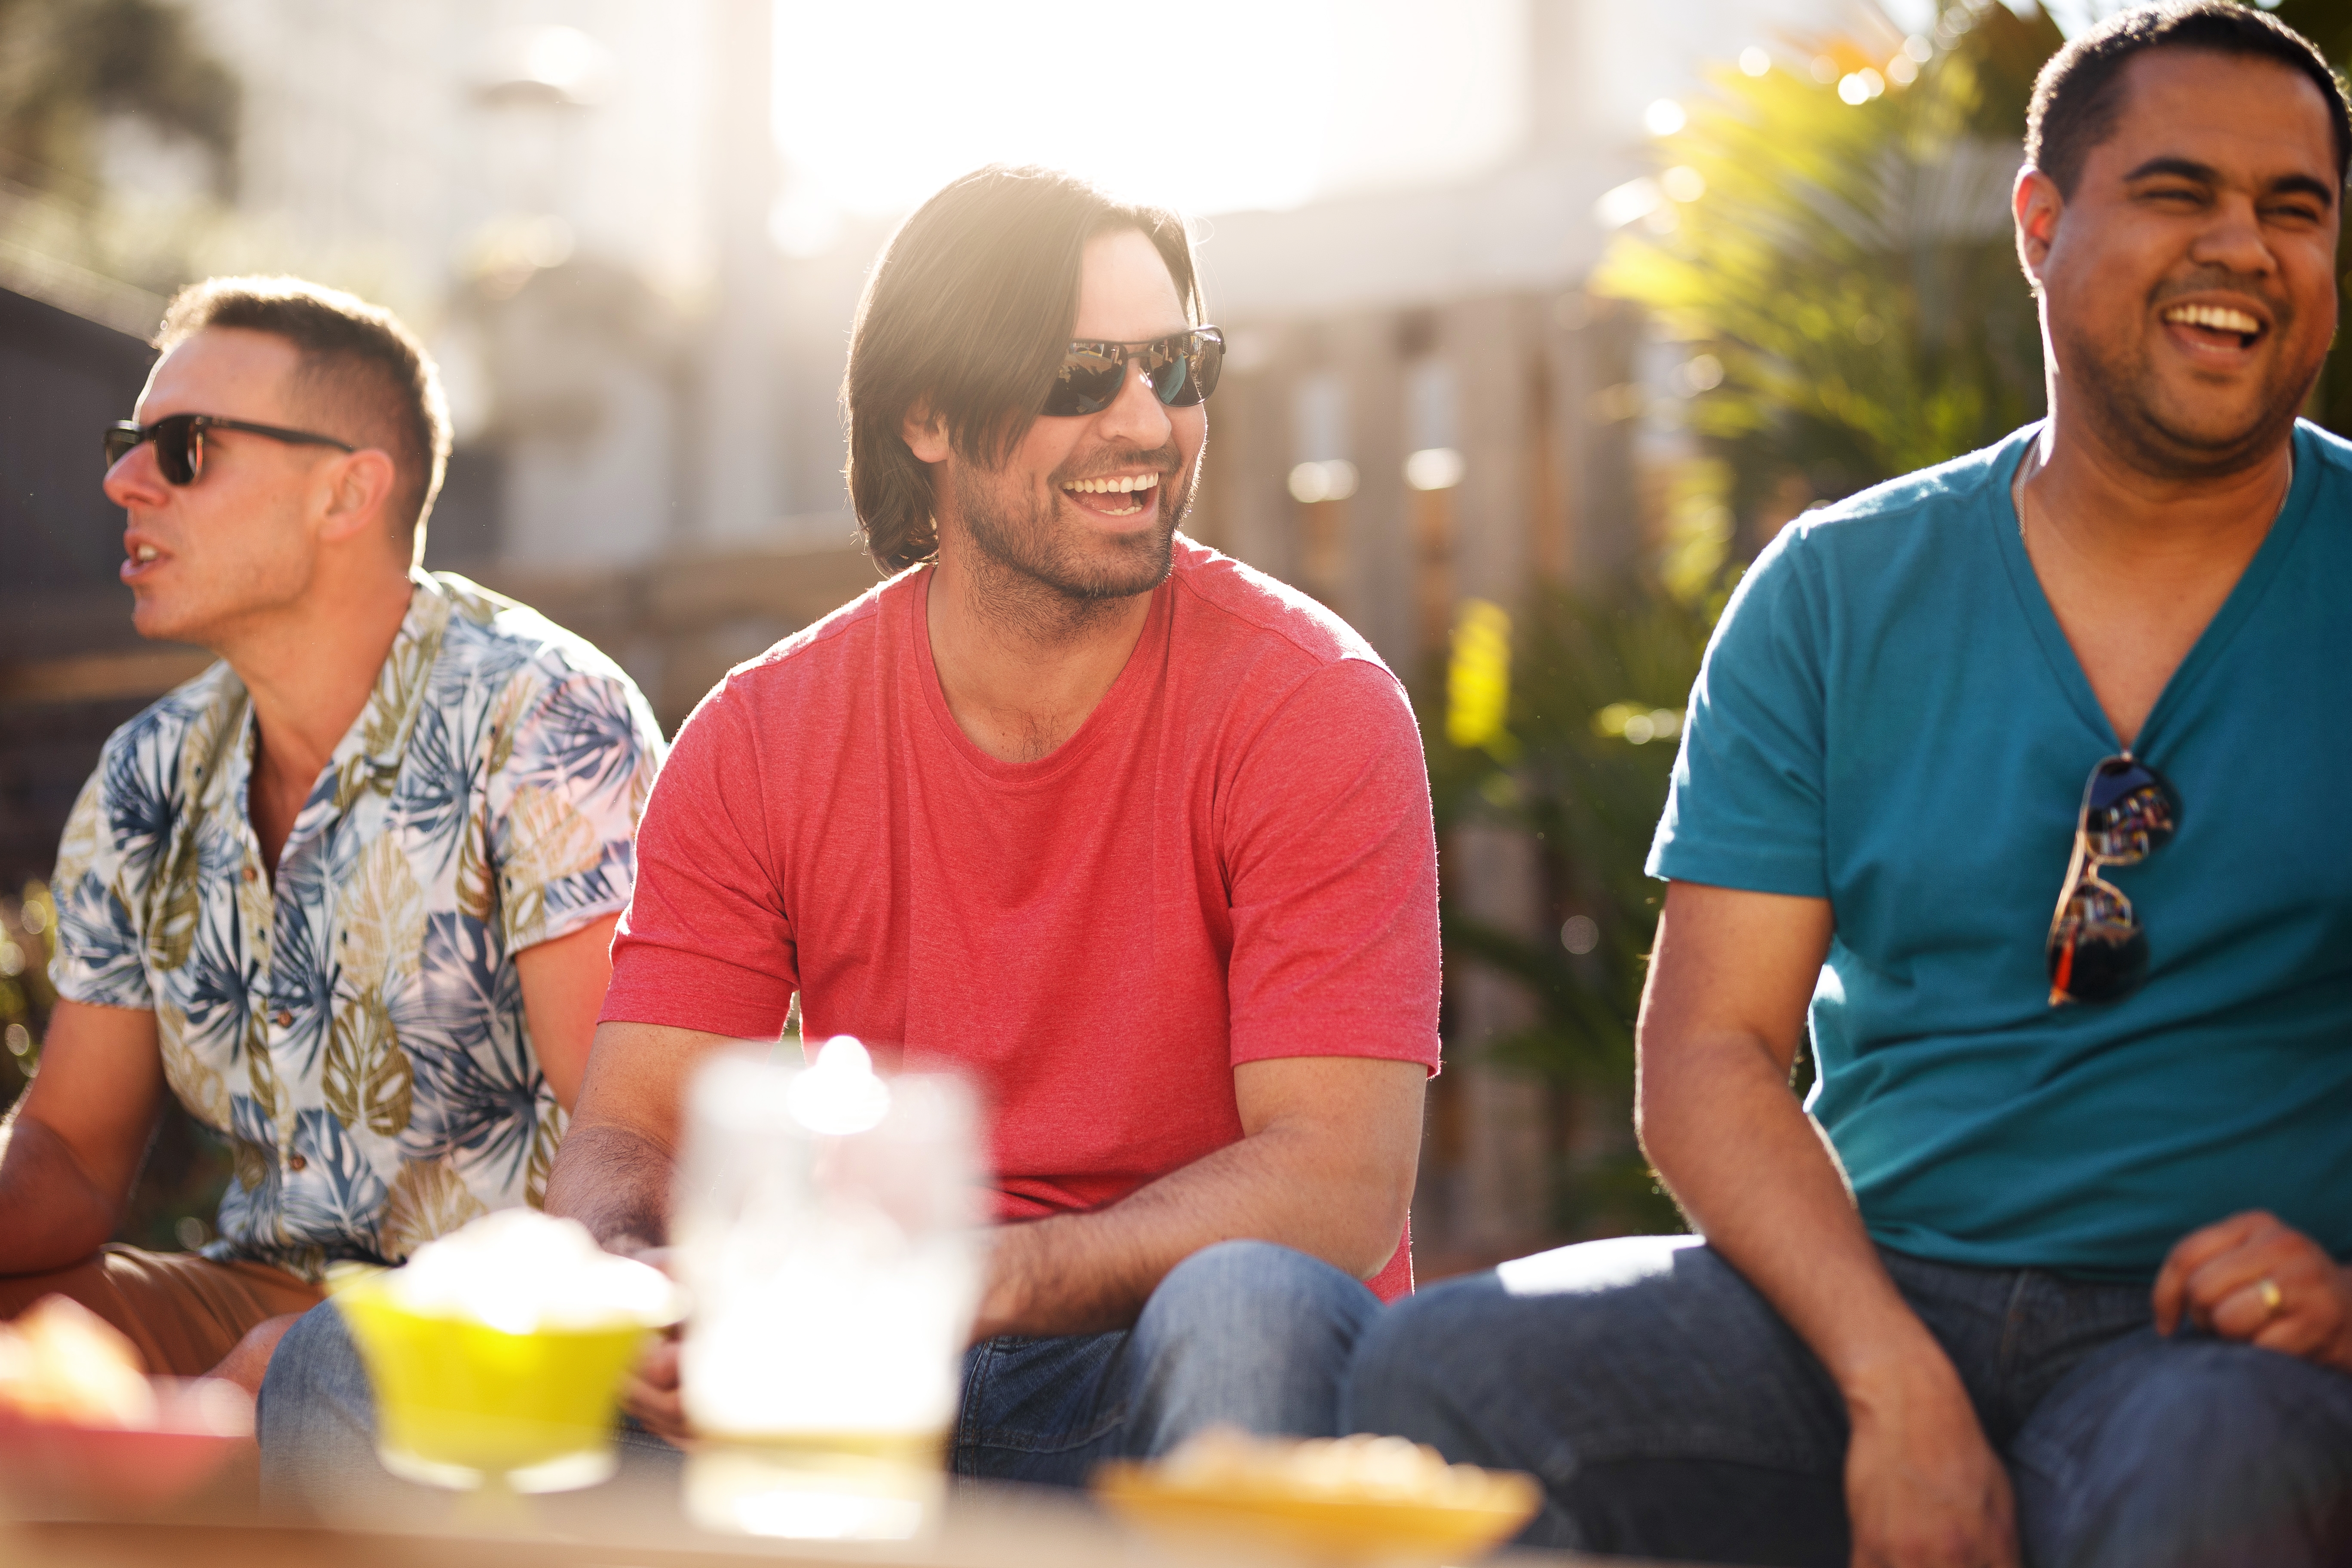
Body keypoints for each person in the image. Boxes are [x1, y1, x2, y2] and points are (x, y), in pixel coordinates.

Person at [257, 164, 1439, 1503]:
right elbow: (633, 1128)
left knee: (1252, 1308)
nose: (1146, 420)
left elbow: (1338, 1184)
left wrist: (976, 1279)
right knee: (347, 1368)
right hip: (837, 1365)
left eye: (1177, 367)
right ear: (926, 413)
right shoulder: (762, 734)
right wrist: (632, 1284)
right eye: (1080, 376)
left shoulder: (1314, 707)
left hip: (1140, 1371)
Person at [1346, 6, 2352, 1566]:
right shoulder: (1838, 589)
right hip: (1858, 1299)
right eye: (2179, 193)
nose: (2245, 247)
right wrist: (1892, 1380)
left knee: (2212, 1470)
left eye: (2296, 210)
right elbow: (1712, 1052)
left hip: (2216, 1345)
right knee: (1446, 1376)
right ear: (2040, 224)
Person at [3, 277, 663, 1399]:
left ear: (348, 492)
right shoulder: (148, 775)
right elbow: (66, 1154)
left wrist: (330, 1358)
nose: (123, 480)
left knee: (289, 1374)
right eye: (127, 444)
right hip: (258, 1294)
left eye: (184, 447)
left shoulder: (545, 720)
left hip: (519, 1320)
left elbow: (632, 1153)